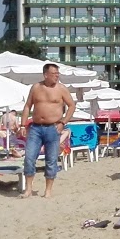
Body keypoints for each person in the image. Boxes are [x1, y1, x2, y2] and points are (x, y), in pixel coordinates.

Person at [22, 62, 76, 197]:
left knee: (51, 160)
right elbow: (28, 106)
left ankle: (48, 190)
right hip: (35, 128)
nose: (57, 76)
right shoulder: (36, 88)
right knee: (29, 158)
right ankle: (28, 189)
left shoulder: (61, 89)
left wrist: (63, 122)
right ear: (46, 75)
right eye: (54, 74)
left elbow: (71, 106)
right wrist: (23, 124)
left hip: (53, 128)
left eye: (58, 73)